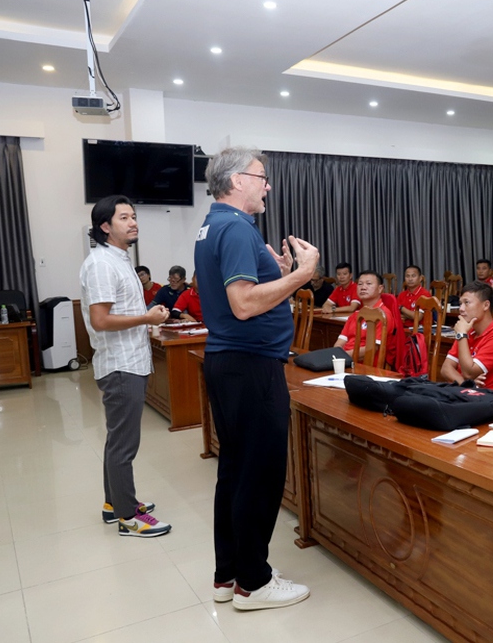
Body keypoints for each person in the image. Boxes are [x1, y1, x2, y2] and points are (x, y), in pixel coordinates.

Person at [195, 147, 319, 611]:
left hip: (230, 362)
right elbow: (244, 303)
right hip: (250, 366)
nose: (267, 185)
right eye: (261, 177)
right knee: (260, 475)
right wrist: (304, 274)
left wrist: (281, 275)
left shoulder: (215, 226)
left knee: (234, 472)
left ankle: (228, 575)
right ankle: (254, 582)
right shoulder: (234, 228)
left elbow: (244, 297)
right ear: (237, 181)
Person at [79, 195, 172, 538]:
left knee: (118, 440)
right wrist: (146, 317)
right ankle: (127, 517)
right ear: (105, 227)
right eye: (124, 218)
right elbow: (101, 320)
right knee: (124, 444)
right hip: (120, 365)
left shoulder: (118, 260)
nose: (133, 222)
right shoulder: (102, 263)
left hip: (129, 360)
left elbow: (117, 314)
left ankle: (112, 504)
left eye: (133, 216)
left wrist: (147, 320)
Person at [440, 280, 493, 389]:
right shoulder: (467, 330)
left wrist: (461, 335)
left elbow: (469, 373)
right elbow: (445, 369)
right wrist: (466, 384)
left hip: (486, 400)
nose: (461, 309)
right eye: (461, 303)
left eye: (467, 303)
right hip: (464, 394)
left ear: (486, 305)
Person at [333, 271, 399, 359]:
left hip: (366, 365)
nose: (363, 287)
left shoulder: (383, 315)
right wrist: (337, 356)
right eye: (360, 284)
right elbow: (340, 342)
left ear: (380, 288)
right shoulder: (355, 315)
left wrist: (341, 356)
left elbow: (372, 349)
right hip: (346, 359)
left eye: (368, 284)